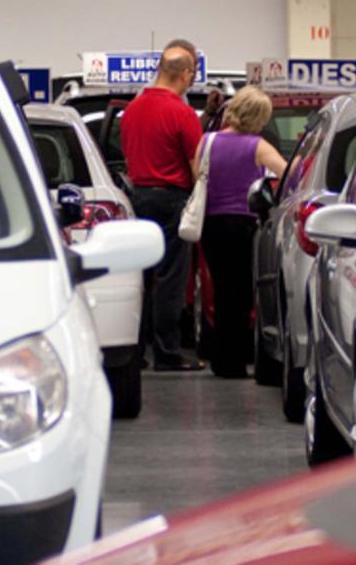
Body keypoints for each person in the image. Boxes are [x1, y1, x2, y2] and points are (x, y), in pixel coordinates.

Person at [121, 39, 206, 371]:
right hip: (172, 200)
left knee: (139, 278)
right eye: (192, 72)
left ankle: (136, 351)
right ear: (184, 74)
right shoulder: (182, 113)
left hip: (137, 197)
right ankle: (167, 353)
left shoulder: (132, 111)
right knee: (170, 278)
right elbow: (196, 167)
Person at [197, 86, 287, 378]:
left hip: (211, 224)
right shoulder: (257, 146)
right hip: (244, 224)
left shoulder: (207, 141)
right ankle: (235, 361)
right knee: (243, 293)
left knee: (222, 290)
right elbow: (285, 172)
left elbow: (198, 174)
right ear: (258, 116)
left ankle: (221, 359)